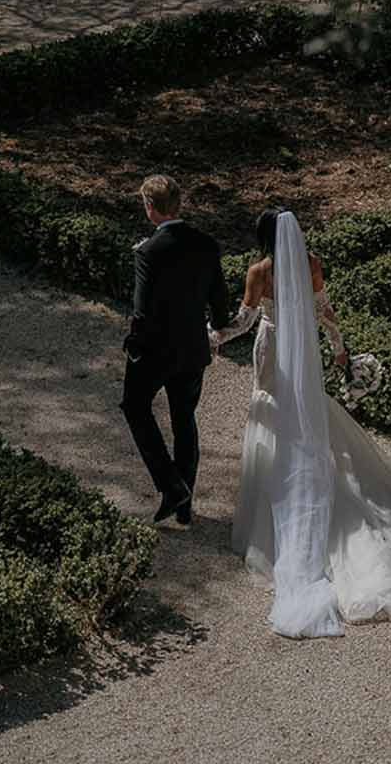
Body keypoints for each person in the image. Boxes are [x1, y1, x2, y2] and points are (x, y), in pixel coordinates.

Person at [210, 207, 391, 636]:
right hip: (303, 355)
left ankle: (279, 508)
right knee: (307, 413)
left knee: (271, 414)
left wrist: (212, 336)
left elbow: (246, 321)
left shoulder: (260, 271)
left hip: (271, 352)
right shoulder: (311, 264)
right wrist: (340, 350)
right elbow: (325, 311)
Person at [121, 172, 231, 527]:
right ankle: (184, 506)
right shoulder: (207, 244)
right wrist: (212, 331)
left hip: (156, 351)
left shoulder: (148, 251)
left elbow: (143, 310)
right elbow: (220, 306)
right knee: (184, 420)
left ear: (150, 208)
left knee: (135, 407)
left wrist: (135, 345)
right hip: (193, 349)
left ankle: (171, 485)